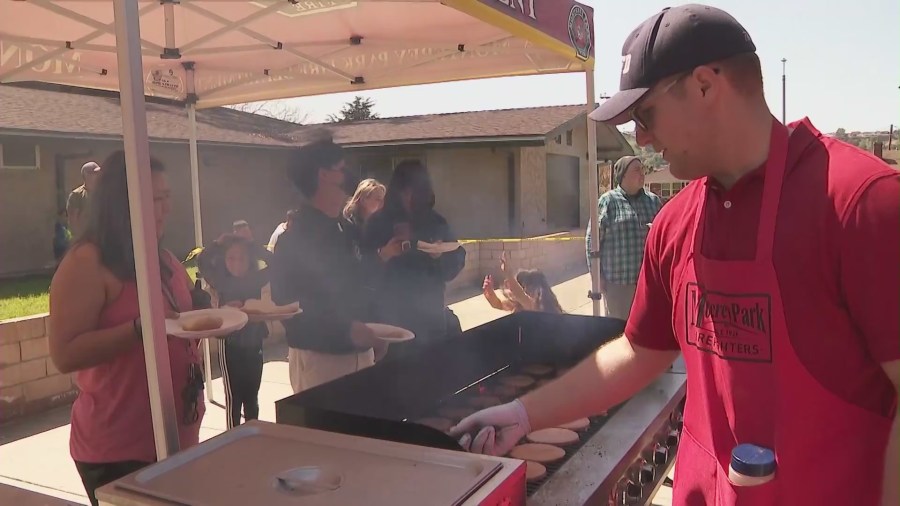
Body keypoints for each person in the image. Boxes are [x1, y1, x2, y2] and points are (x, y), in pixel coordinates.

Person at [451, 5, 899, 506]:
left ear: (707, 85)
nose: (640, 138)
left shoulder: (862, 205)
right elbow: (642, 352)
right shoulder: (674, 221)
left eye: (645, 115)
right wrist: (523, 414)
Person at [48, 151, 205, 506]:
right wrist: (140, 329)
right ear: (122, 202)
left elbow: (182, 320)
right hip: (118, 451)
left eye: (167, 198)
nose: (165, 209)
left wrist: (217, 313)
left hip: (176, 437)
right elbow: (64, 353)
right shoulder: (86, 262)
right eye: (154, 200)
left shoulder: (162, 257)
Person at [271, 136, 387, 393]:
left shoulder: (346, 229)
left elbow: (363, 282)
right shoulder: (294, 238)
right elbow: (289, 310)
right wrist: (346, 331)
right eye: (341, 168)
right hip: (321, 366)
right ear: (324, 175)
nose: (347, 176)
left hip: (362, 357)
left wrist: (376, 326)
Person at [362, 160, 466, 360]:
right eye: (405, 192)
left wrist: (439, 255)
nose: (409, 198)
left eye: (415, 192)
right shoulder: (378, 222)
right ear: (397, 190)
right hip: (390, 321)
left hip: (430, 318)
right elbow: (361, 273)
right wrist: (384, 254)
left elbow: (456, 262)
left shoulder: (435, 222)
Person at [197, 234, 270, 428]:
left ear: (250, 260)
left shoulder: (255, 279)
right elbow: (202, 261)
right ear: (223, 260)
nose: (236, 264)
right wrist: (218, 243)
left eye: (242, 258)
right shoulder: (220, 279)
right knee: (234, 399)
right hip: (230, 345)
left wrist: (253, 245)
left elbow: (277, 264)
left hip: (254, 344)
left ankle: (254, 439)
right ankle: (233, 439)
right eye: (231, 258)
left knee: (252, 397)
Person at [585, 156, 662, 320]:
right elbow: (592, 241)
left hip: (648, 282)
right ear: (623, 175)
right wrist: (596, 277)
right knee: (618, 332)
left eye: (643, 170)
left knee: (647, 330)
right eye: (636, 170)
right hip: (618, 284)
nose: (642, 174)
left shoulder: (653, 201)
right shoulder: (608, 201)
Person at [483, 252, 563, 314]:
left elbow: (520, 295)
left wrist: (508, 274)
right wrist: (491, 295)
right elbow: (498, 304)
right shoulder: (519, 306)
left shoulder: (536, 307)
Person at [66, 161, 101, 238]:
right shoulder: (77, 195)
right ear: (87, 175)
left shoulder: (103, 192)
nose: (98, 175)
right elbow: (73, 220)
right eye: (95, 173)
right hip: (86, 238)